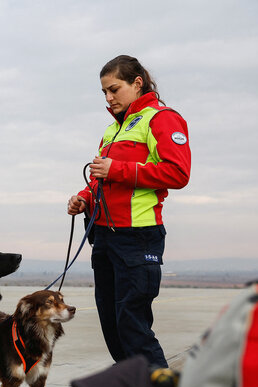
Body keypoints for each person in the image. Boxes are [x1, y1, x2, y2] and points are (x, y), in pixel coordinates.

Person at [67, 55, 191, 368]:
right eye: (104, 92)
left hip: (138, 239)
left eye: (114, 89)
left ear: (137, 83)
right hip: (105, 239)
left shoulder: (161, 118)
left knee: (132, 328)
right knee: (112, 328)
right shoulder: (112, 131)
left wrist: (118, 169)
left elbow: (178, 173)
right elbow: (101, 179)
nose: (108, 98)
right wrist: (84, 197)